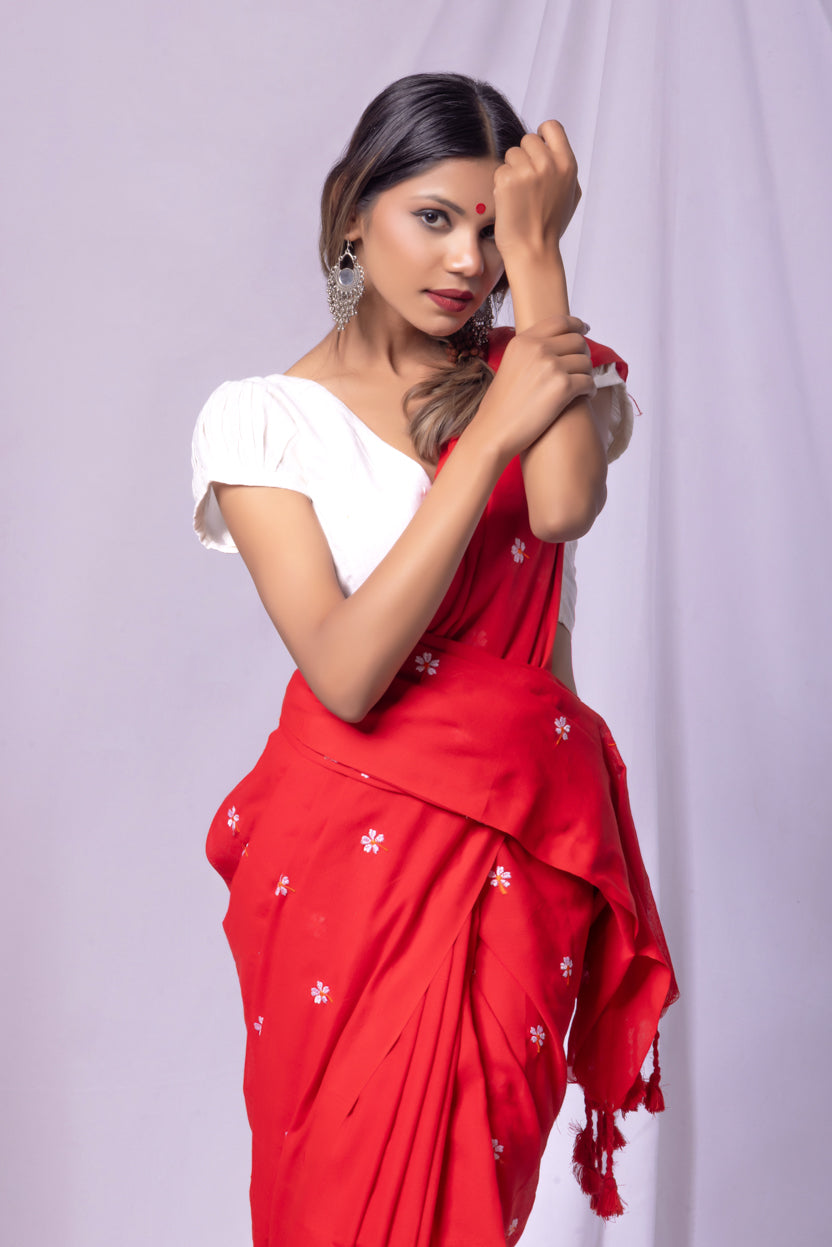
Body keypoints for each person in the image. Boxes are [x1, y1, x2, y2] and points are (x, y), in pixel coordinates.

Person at [191, 72, 677, 1247]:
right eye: (433, 217)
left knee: (470, 1201)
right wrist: (488, 438)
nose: (467, 261)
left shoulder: (539, 369)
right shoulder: (264, 421)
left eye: (492, 230)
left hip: (515, 855)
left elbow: (561, 507)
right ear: (353, 211)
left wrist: (541, 259)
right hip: (343, 865)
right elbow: (346, 671)